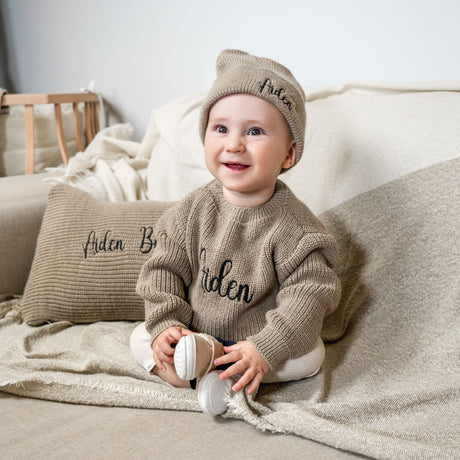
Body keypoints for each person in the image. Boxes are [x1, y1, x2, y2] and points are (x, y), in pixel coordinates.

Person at [130, 49, 341, 415]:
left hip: (255, 345)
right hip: (194, 335)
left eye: (255, 131)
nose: (234, 144)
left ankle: (215, 373)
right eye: (221, 128)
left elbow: (310, 293)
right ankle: (201, 365)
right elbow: (163, 271)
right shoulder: (192, 211)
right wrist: (167, 325)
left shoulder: (297, 228)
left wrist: (265, 346)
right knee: (139, 337)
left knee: (311, 357)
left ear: (288, 155)